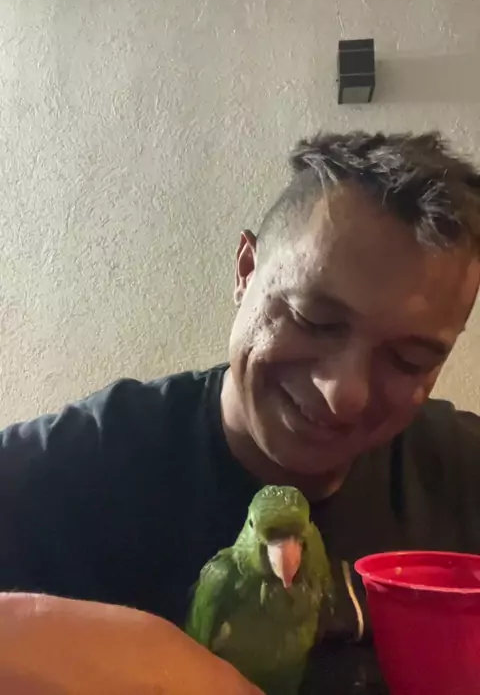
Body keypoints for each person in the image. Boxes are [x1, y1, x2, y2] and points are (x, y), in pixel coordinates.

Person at [1, 129, 480, 694]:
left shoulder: (462, 470)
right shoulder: (58, 473)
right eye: (313, 320)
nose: (343, 393)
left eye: (409, 360)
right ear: (246, 270)